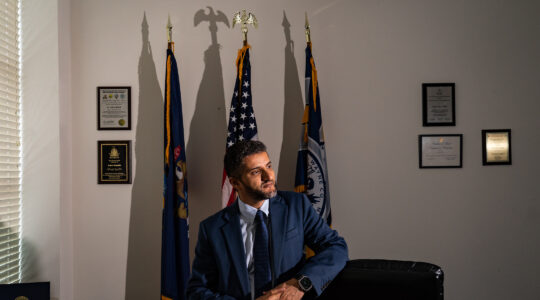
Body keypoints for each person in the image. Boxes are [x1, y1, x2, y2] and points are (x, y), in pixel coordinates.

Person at [187, 141, 348, 300]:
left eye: (269, 166)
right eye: (256, 172)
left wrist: (299, 284)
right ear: (235, 183)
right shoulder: (212, 228)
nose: (268, 176)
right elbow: (197, 290)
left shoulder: (296, 206)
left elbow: (336, 248)